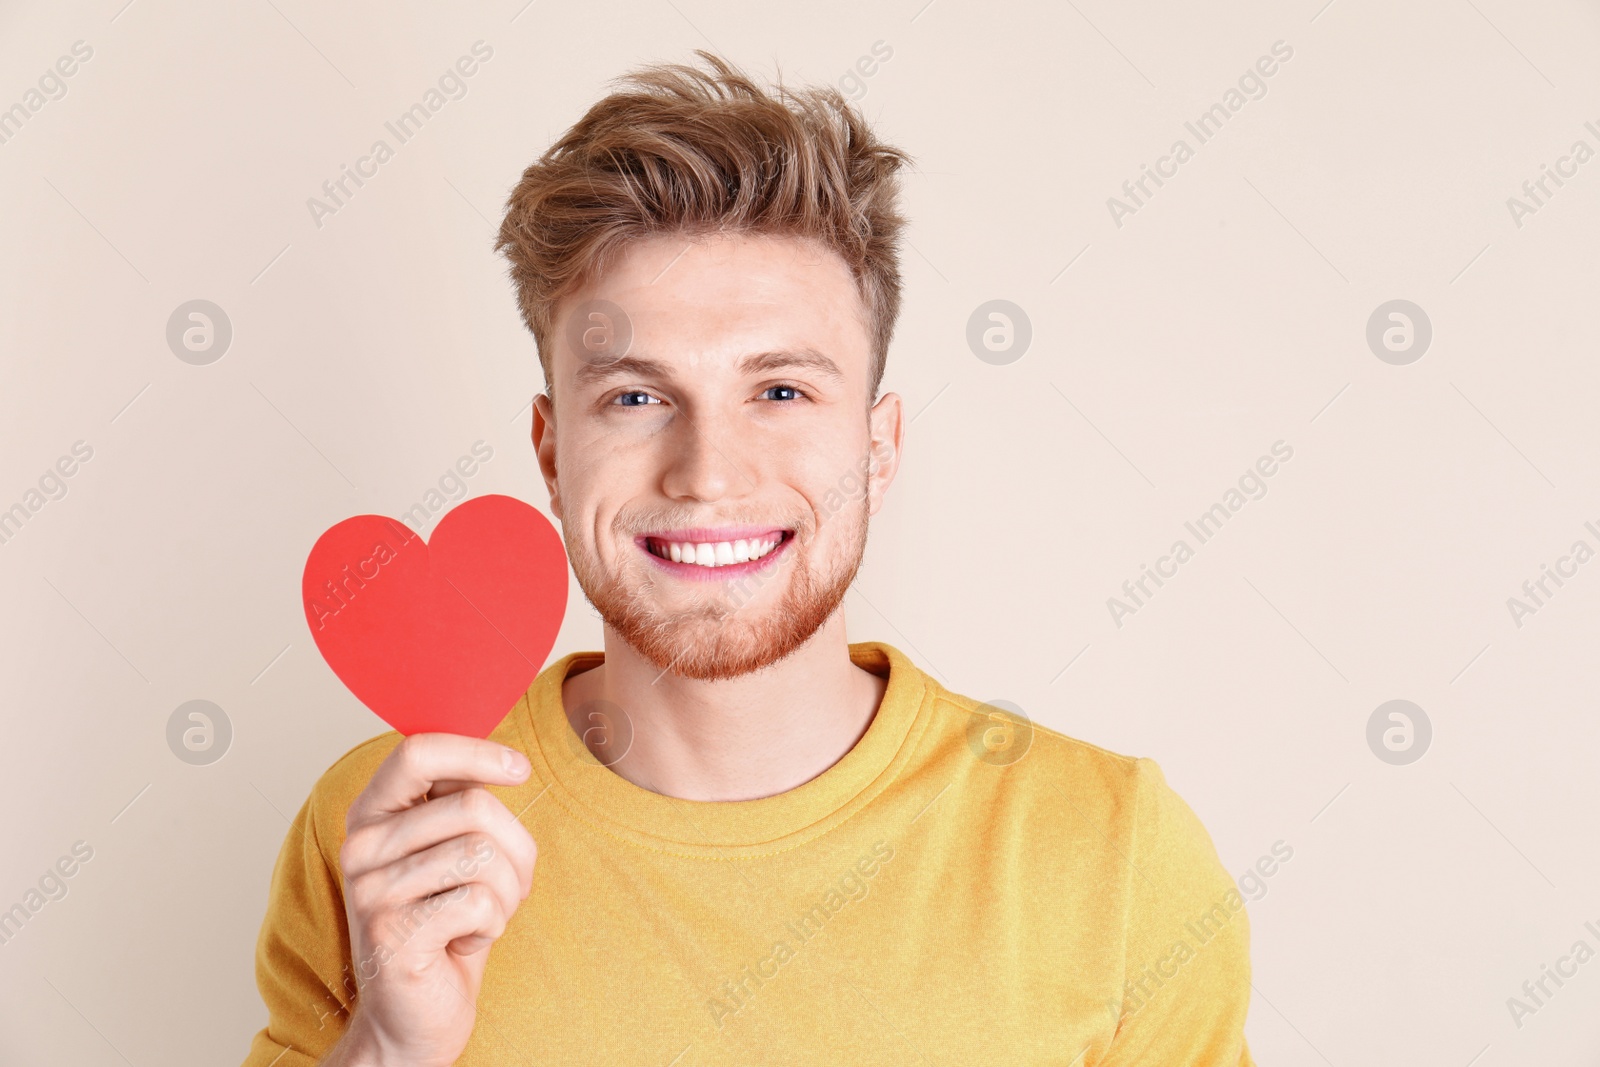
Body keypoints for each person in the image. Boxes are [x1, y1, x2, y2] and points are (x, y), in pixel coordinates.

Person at [243, 51, 1254, 1066]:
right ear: (553, 452)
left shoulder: (1113, 851)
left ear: (878, 444)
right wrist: (388, 1045)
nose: (707, 474)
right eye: (635, 397)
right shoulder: (388, 828)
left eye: (780, 391)